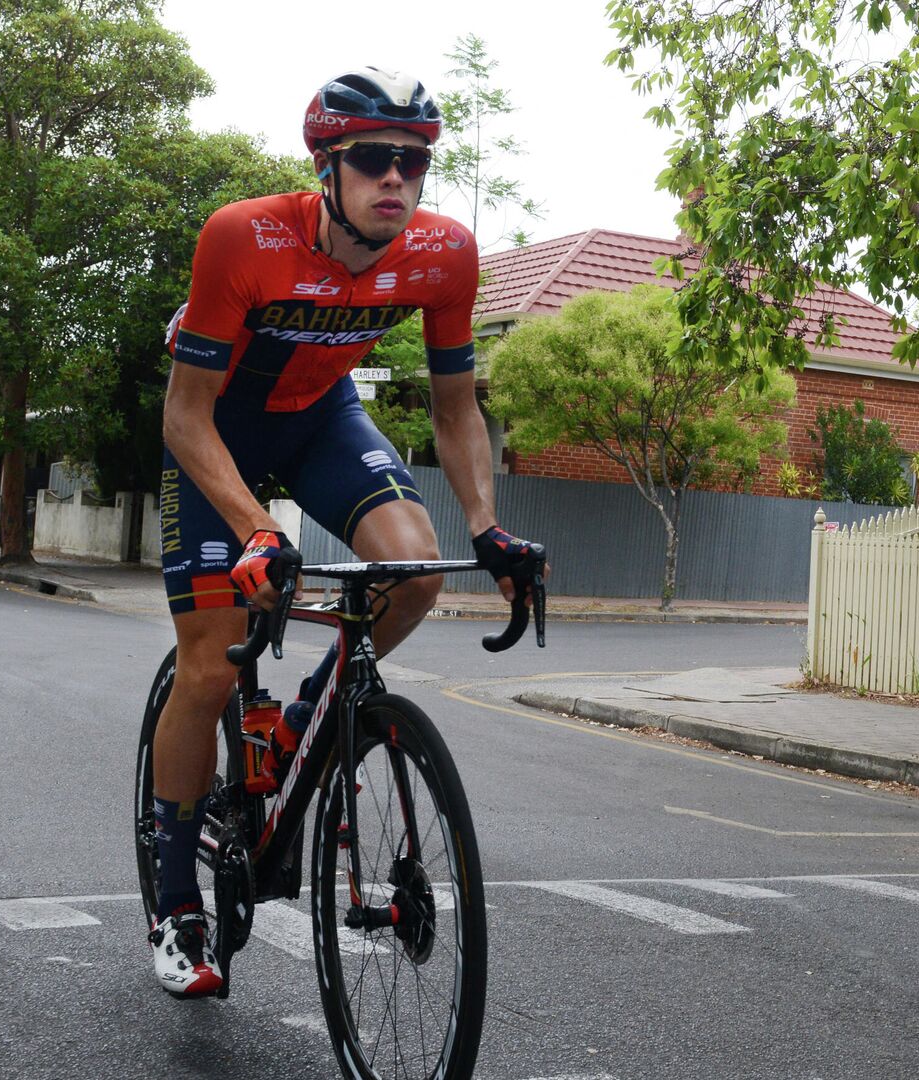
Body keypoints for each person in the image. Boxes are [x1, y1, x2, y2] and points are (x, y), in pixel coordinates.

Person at [149, 67, 542, 997]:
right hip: (217, 432)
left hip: (321, 418)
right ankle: (175, 902)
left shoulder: (444, 255)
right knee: (209, 666)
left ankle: (304, 720)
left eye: (412, 161)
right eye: (372, 160)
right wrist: (254, 527)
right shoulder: (245, 237)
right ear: (328, 165)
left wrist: (486, 525)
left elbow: (455, 411)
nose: (395, 179)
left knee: (414, 569)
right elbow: (183, 414)